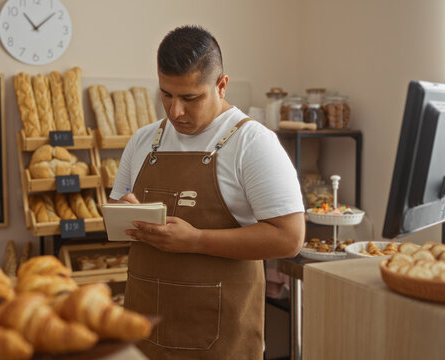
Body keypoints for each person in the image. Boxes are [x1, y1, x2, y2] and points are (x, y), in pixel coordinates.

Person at [109, 25, 305, 360]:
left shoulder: (252, 143)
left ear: (221, 85)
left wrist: (197, 240)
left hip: (220, 342)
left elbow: (289, 238)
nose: (175, 112)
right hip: (144, 336)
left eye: (190, 98)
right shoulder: (143, 140)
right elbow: (115, 211)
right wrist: (125, 211)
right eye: (166, 95)